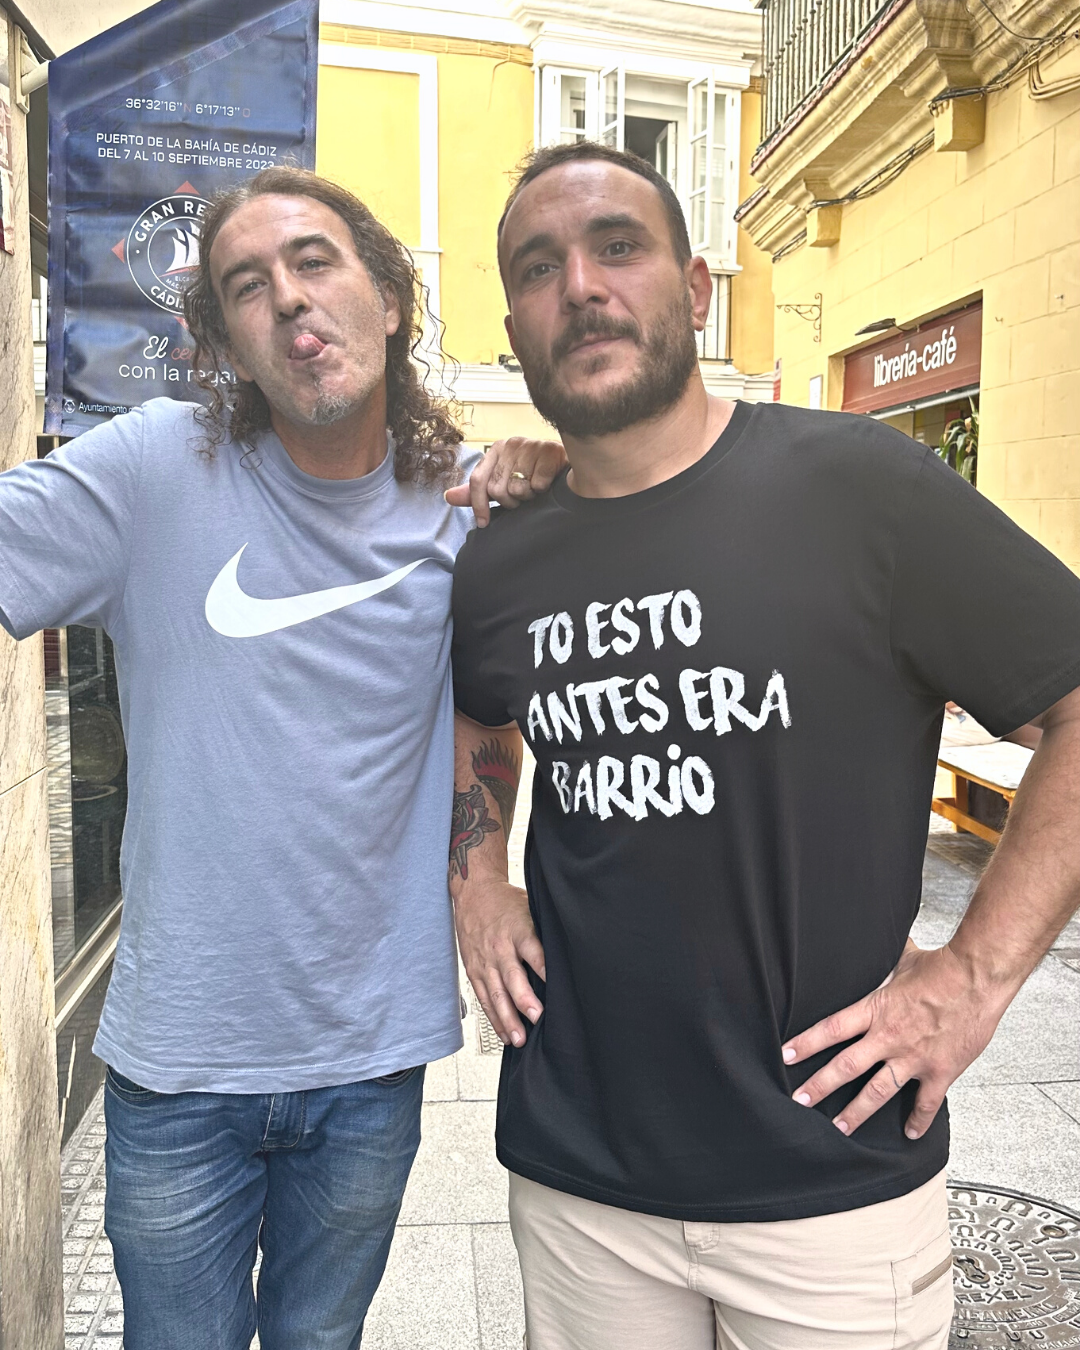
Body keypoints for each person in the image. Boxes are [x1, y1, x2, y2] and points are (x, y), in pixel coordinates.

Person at [448, 141, 1080, 1350]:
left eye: (618, 247)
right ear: (515, 327)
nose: (580, 285)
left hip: (833, 1183)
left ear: (696, 291)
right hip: (581, 1180)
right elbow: (479, 716)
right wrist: (478, 879)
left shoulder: (862, 488)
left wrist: (975, 977)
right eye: (537, 267)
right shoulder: (501, 558)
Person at [0, 166, 562, 1350]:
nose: (290, 299)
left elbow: (489, 712)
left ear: (390, 298)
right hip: (178, 1067)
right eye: (246, 286)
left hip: (371, 1059)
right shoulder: (151, 471)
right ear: (225, 344)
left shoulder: (466, 509)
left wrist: (557, 469)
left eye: (315, 262)